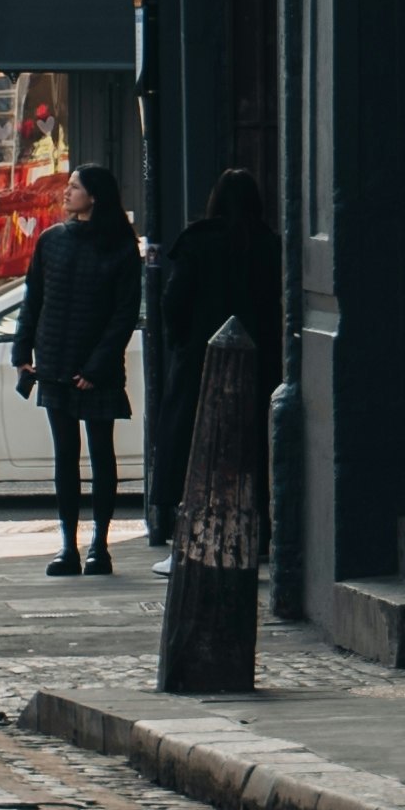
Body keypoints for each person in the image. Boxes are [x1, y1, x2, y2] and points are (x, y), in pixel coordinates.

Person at [20, 169, 146, 575]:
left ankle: (100, 547)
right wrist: (22, 350)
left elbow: (123, 314)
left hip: (98, 367)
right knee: (65, 458)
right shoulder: (51, 241)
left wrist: (96, 366)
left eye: (74, 187)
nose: (66, 193)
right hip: (56, 360)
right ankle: (67, 547)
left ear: (94, 196)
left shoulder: (121, 247)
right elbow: (33, 298)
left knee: (101, 455)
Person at [153, 168, 279, 541]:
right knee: (253, 441)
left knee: (191, 439)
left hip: (199, 358)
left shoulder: (198, 241)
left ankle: (193, 526)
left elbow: (173, 300)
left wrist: (181, 340)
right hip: (259, 358)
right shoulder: (268, 243)